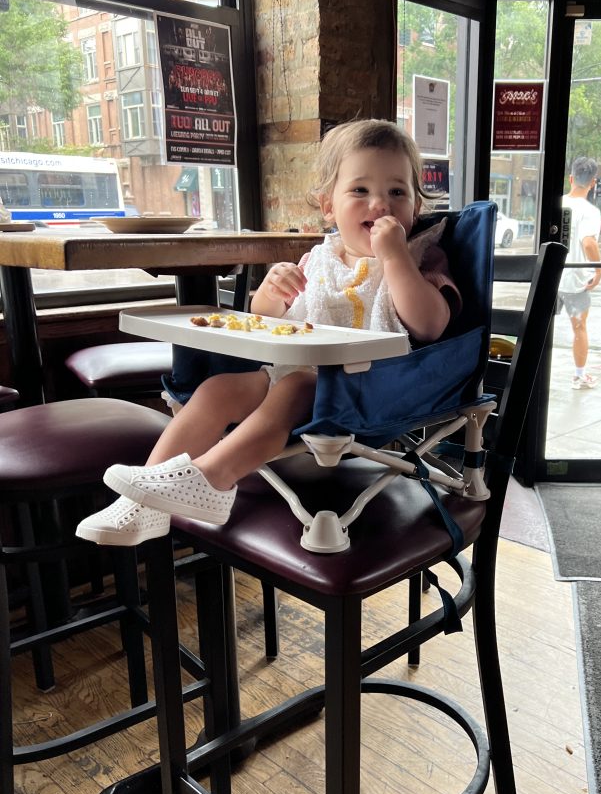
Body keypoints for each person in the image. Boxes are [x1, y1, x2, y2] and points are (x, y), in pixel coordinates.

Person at [77, 119, 461, 547]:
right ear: (328, 207)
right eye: (360, 191)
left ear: (415, 207)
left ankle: (212, 479)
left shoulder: (420, 257)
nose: (379, 205)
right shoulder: (318, 260)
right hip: (295, 375)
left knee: (297, 383)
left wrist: (395, 260)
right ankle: (145, 502)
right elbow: (269, 321)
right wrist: (271, 293)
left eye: (397, 192)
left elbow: (430, 325)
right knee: (219, 389)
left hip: (376, 389)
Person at [558, 156, 601, 390]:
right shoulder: (590, 211)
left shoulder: (557, 204)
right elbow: (588, 242)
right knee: (579, 327)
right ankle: (579, 376)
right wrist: (599, 269)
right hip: (575, 281)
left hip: (552, 278)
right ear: (593, 182)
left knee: (540, 326)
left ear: (571, 178)